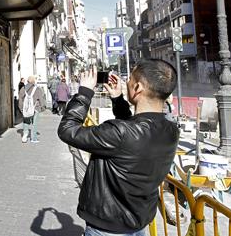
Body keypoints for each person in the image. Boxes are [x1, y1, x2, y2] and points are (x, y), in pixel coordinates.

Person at [58, 60, 180, 236]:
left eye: (130, 78)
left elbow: (67, 130)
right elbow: (135, 135)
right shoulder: (171, 129)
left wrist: (84, 92)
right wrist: (117, 99)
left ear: (137, 87)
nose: (126, 82)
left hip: (107, 227)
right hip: (138, 223)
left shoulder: (120, 133)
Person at [19, 75, 46, 143]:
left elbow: (20, 99)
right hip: (35, 108)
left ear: (28, 81)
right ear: (34, 81)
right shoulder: (37, 89)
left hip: (26, 109)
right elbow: (41, 99)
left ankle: (25, 136)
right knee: (34, 123)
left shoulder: (23, 88)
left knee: (26, 122)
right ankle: (33, 138)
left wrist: (21, 108)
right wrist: (43, 107)